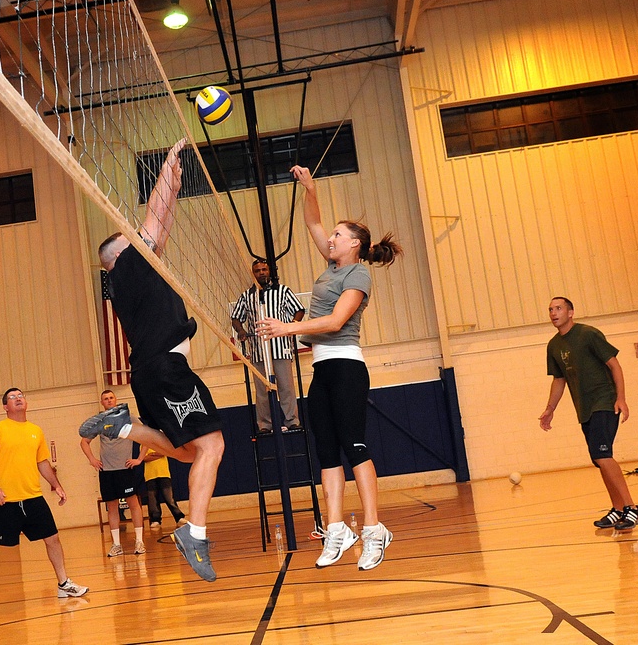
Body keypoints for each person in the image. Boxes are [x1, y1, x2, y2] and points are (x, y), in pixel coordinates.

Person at [81, 138, 225, 583]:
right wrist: (168, 167)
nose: (149, 243)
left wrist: (175, 189)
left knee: (186, 453)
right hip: (166, 369)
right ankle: (194, 532)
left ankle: (124, 425)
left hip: (151, 371)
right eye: (136, 241)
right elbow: (153, 218)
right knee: (213, 445)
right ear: (121, 255)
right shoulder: (129, 266)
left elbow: (159, 226)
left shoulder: (127, 276)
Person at [256, 165, 400, 572]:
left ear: (355, 244)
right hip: (322, 369)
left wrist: (288, 326)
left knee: (355, 446)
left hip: (347, 368)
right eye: (333, 235)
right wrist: (310, 188)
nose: (331, 238)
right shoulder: (333, 266)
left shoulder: (358, 273)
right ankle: (337, 528)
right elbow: (313, 222)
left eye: (339, 235)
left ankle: (374, 529)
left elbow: (336, 322)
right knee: (325, 453)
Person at [0, 388, 88, 614]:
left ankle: (63, 584)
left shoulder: (35, 431)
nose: (18, 399)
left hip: (32, 498)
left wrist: (57, 485)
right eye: (12, 397)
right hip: (5, 501)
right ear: (5, 407)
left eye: (20, 395)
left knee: (53, 539)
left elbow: (42, 463)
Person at [539, 297, 638, 530]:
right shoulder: (554, 345)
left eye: (559, 308)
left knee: (602, 454)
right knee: (599, 459)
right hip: (584, 408)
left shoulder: (588, 334)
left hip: (604, 402)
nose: (554, 313)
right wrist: (549, 409)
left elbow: (615, 365)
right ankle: (617, 509)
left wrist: (621, 398)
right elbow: (559, 379)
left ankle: (632, 508)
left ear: (571, 312)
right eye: (550, 310)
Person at [231, 259, 306, 433]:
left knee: (286, 387)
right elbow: (236, 318)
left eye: (264, 269)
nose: (262, 273)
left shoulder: (283, 291)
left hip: (281, 348)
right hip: (258, 351)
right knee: (261, 391)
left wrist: (291, 326)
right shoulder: (247, 296)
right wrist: (241, 330)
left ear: (269, 271)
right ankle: (264, 425)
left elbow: (299, 310)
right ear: (253, 274)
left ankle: (292, 420)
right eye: (258, 270)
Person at [80, 390, 147, 556]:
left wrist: (139, 458)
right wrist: (92, 460)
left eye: (111, 398)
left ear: (115, 400)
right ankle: (116, 544)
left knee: (133, 504)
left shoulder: (128, 417)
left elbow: (147, 435)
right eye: (105, 399)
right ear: (102, 402)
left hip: (126, 469)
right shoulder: (100, 421)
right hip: (107, 471)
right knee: (112, 507)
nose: (109, 400)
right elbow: (84, 442)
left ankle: (139, 541)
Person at [141, 446, 186, 530]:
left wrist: (153, 454)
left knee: (169, 497)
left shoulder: (160, 443)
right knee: (152, 499)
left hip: (164, 473)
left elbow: (165, 453)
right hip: (150, 475)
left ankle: (179, 517)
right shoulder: (144, 445)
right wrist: (158, 454)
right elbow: (144, 458)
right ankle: (155, 520)